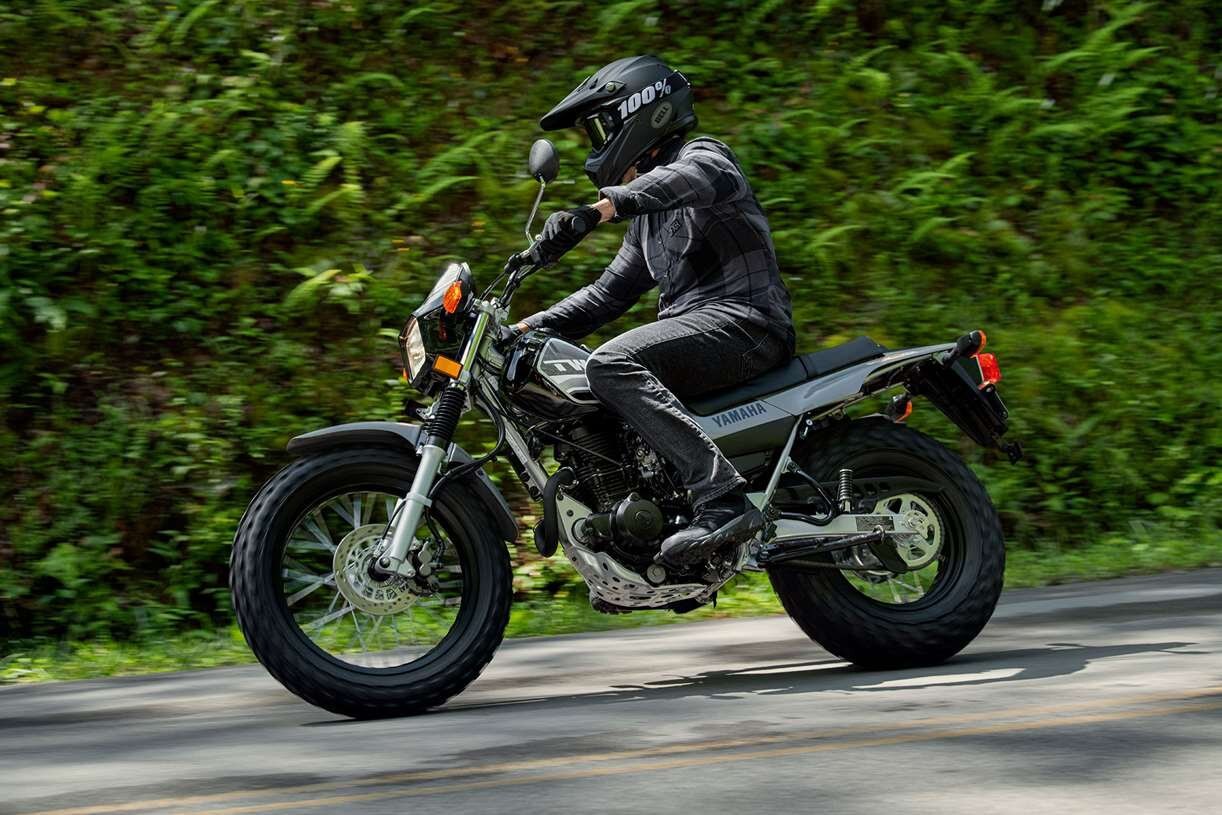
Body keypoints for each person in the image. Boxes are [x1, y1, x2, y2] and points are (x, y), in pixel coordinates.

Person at [518, 55, 795, 567]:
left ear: (644, 110)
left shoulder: (705, 157)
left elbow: (683, 179)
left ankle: (722, 498)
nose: (596, 147)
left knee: (610, 363)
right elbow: (605, 296)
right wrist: (521, 328)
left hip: (747, 322)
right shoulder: (645, 225)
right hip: (702, 332)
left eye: (599, 129)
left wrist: (599, 209)